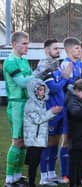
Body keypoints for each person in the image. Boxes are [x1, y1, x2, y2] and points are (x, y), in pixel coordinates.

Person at [34, 39, 71, 186]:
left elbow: (63, 85)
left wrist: (65, 78)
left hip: (60, 110)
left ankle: (51, 173)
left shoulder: (56, 67)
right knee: (47, 143)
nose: (58, 51)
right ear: (46, 50)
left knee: (55, 143)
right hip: (50, 111)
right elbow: (54, 88)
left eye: (58, 48)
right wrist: (65, 78)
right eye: (55, 49)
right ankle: (43, 177)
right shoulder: (44, 68)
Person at [3, 31, 33, 187]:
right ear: (14, 44)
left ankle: (17, 175)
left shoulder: (24, 61)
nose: (27, 46)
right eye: (24, 43)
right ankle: (9, 179)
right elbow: (22, 82)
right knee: (17, 141)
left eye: (28, 43)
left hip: (26, 103)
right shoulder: (10, 62)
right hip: (16, 105)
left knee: (24, 142)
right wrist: (37, 75)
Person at [24, 79, 62, 187]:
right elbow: (38, 120)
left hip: (39, 138)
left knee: (35, 162)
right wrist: (52, 112)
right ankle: (31, 183)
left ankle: (31, 182)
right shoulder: (31, 104)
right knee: (33, 163)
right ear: (34, 91)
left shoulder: (42, 102)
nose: (43, 92)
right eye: (40, 90)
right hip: (33, 138)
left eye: (43, 90)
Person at [58, 37, 82, 182]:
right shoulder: (65, 64)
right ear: (68, 50)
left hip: (80, 106)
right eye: (76, 48)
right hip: (69, 106)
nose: (79, 50)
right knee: (67, 139)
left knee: (77, 139)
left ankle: (76, 171)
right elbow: (65, 85)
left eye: (80, 48)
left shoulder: (80, 64)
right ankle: (64, 173)